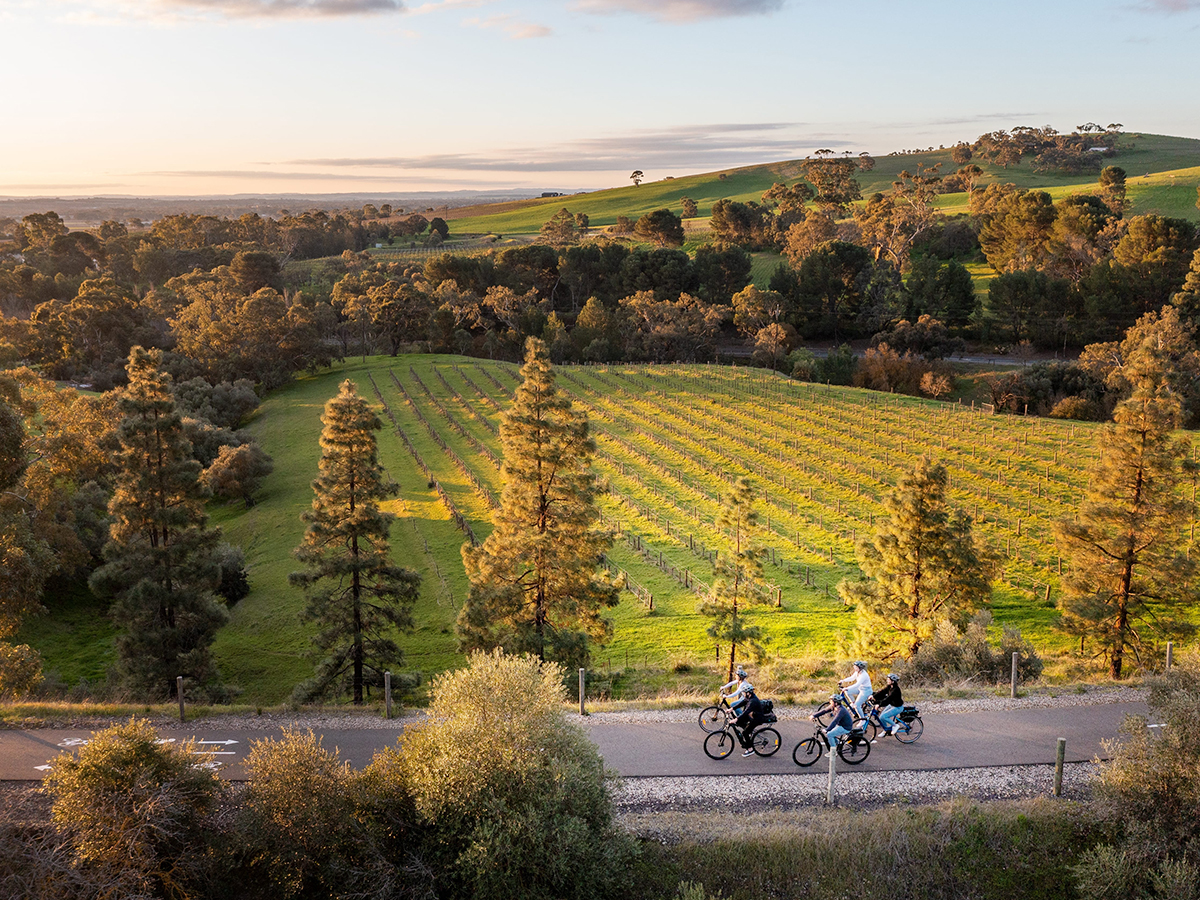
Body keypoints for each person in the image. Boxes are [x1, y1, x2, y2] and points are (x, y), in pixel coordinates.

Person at [719, 666, 763, 757]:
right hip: (752, 715)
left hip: (757, 718)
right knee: (741, 723)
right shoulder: (749, 697)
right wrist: (732, 709)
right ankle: (747, 731)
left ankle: (750, 749)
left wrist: (736, 719)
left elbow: (746, 712)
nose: (743, 694)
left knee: (745, 733)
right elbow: (742, 702)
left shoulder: (753, 701)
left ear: (748, 692)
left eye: (744, 693)